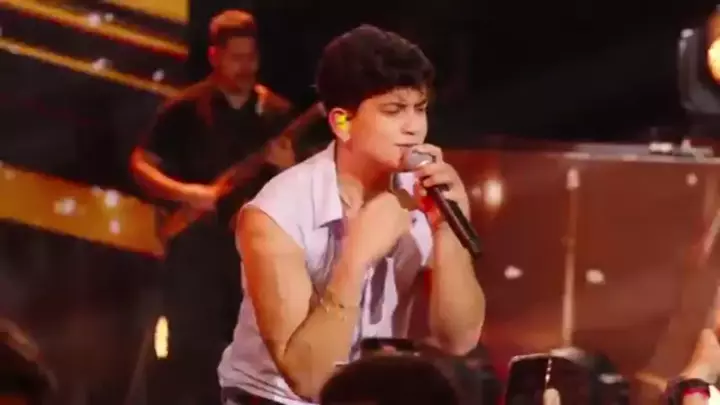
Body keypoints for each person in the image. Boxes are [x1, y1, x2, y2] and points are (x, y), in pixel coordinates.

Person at [218, 24, 486, 405]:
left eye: (420, 108)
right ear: (342, 123)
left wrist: (447, 232)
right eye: (394, 111)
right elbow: (308, 379)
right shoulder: (275, 214)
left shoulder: (425, 193)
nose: (414, 128)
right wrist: (356, 258)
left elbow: (458, 339)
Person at [129, 9, 295, 405]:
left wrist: (289, 168)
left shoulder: (276, 113)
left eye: (251, 57)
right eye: (236, 57)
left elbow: (302, 195)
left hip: (253, 262)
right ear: (214, 56)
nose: (245, 67)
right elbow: (141, 165)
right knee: (192, 361)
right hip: (196, 260)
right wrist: (188, 193)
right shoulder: (185, 109)